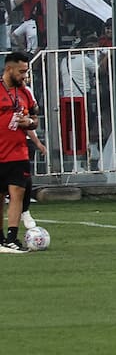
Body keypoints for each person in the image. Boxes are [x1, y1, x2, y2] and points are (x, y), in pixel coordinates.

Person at [0, 51, 37, 251]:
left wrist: (28, 122)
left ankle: (12, 237)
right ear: (9, 69)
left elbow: (35, 119)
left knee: (17, 193)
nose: (24, 75)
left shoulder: (25, 92)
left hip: (18, 151)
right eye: (21, 71)